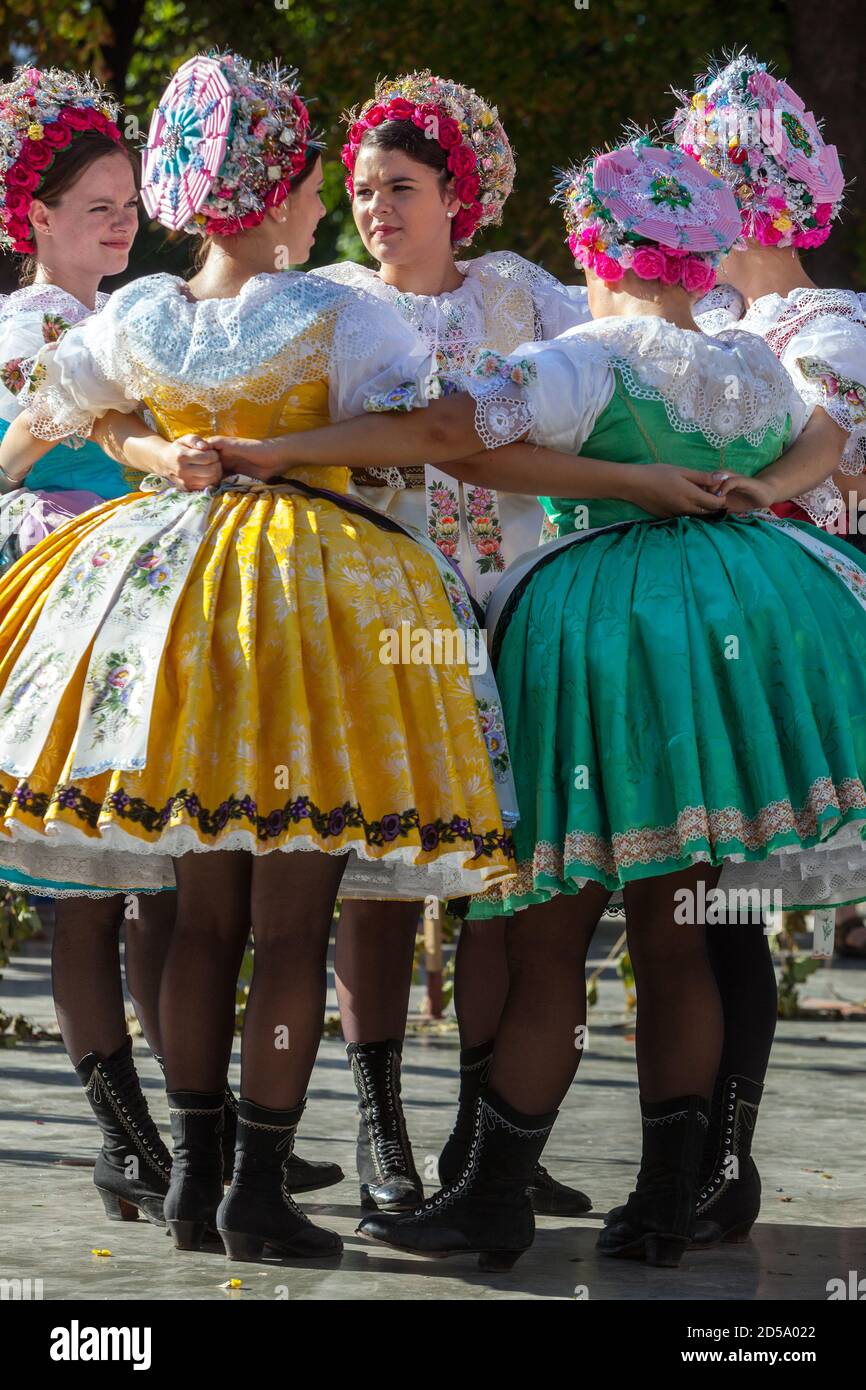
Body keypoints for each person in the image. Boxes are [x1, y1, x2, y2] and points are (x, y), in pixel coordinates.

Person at [219, 136, 866, 1271]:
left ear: (595, 249)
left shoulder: (590, 356)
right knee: (676, 931)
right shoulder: (749, 365)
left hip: (598, 645)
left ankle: (494, 1195)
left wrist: (279, 451)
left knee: (544, 930)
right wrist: (762, 487)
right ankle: (665, 1200)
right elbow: (827, 430)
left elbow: (446, 436)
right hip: (716, 642)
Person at [0, 50, 525, 1263]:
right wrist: (290, 451)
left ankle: (193, 1181)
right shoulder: (341, 312)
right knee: (292, 927)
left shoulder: (139, 315)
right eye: (308, 185)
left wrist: (147, 449)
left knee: (199, 919)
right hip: (308, 616)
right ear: (283, 187)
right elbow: (435, 432)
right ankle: (255, 1191)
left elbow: (33, 428)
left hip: (172, 610)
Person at [312, 69, 592, 1217]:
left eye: (403, 186)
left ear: (456, 193)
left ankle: (487, 1150)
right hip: (382, 619)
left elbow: (622, 366)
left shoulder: (523, 295)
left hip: (509, 607)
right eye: (367, 188)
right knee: (374, 875)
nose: (378, 208)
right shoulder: (330, 300)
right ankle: (382, 1137)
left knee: (498, 881)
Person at [671, 51, 866, 1239]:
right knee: (697, 897)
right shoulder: (690, 322)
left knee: (728, 901)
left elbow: (829, 442)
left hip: (798, 628)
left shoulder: (827, 321)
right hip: (702, 626)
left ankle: (717, 1154)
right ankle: (702, 1153)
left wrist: (744, 491)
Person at [0, 63, 193, 1229]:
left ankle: (186, 1124)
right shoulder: (34, 326)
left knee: (158, 868)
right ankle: (130, 1140)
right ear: (33, 219)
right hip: (76, 603)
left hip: (140, 593)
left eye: (128, 204)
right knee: (93, 885)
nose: (122, 224)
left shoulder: (124, 312)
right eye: (95, 209)